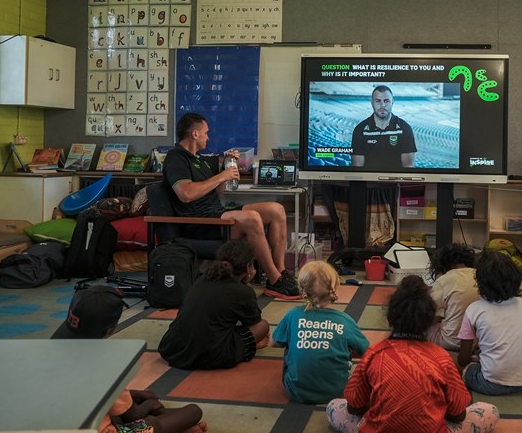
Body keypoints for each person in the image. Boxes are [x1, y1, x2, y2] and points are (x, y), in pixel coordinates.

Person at [326, 276, 499, 433]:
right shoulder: (442, 358)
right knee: (490, 411)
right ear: (431, 320)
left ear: (390, 318)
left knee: (334, 406)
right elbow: (458, 415)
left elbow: (353, 407)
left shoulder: (373, 354)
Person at [52, 285, 205, 433]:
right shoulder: (103, 365)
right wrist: (150, 404)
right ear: (111, 328)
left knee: (136, 405)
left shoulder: (52, 345)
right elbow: (133, 415)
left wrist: (136, 394)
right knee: (192, 412)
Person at [163, 112, 298, 299]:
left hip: (215, 214)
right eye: (206, 133)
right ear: (195, 134)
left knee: (276, 210)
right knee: (251, 219)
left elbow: (216, 194)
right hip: (198, 223)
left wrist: (226, 169)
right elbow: (186, 194)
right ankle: (275, 281)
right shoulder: (175, 158)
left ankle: (281, 272)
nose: (208, 137)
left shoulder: (199, 160)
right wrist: (221, 176)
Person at [158, 239, 271, 369]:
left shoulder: (201, 279)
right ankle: (249, 345)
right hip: (209, 355)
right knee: (263, 326)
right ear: (247, 267)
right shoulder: (244, 292)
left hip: (174, 349)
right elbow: (253, 322)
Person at [272, 260, 370, 404]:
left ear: (302, 288)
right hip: (337, 390)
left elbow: (274, 343)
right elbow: (367, 352)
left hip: (295, 391)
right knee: (346, 348)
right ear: (335, 288)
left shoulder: (293, 314)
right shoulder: (344, 320)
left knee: (288, 342)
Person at [457, 251, 522, 395]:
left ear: (480, 282)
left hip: (489, 383)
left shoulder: (474, 309)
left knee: (453, 363)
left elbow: (463, 359)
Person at [425, 243, 480, 351]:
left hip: (450, 341)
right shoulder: (481, 275)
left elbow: (431, 318)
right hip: (477, 342)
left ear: (442, 265)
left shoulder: (444, 280)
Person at [351, 85, 417, 169]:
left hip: (396, 180)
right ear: (372, 103)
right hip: (370, 180)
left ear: (392, 102)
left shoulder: (404, 128)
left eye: (386, 101)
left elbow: (408, 166)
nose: (382, 105)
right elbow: (357, 168)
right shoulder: (360, 130)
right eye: (378, 101)